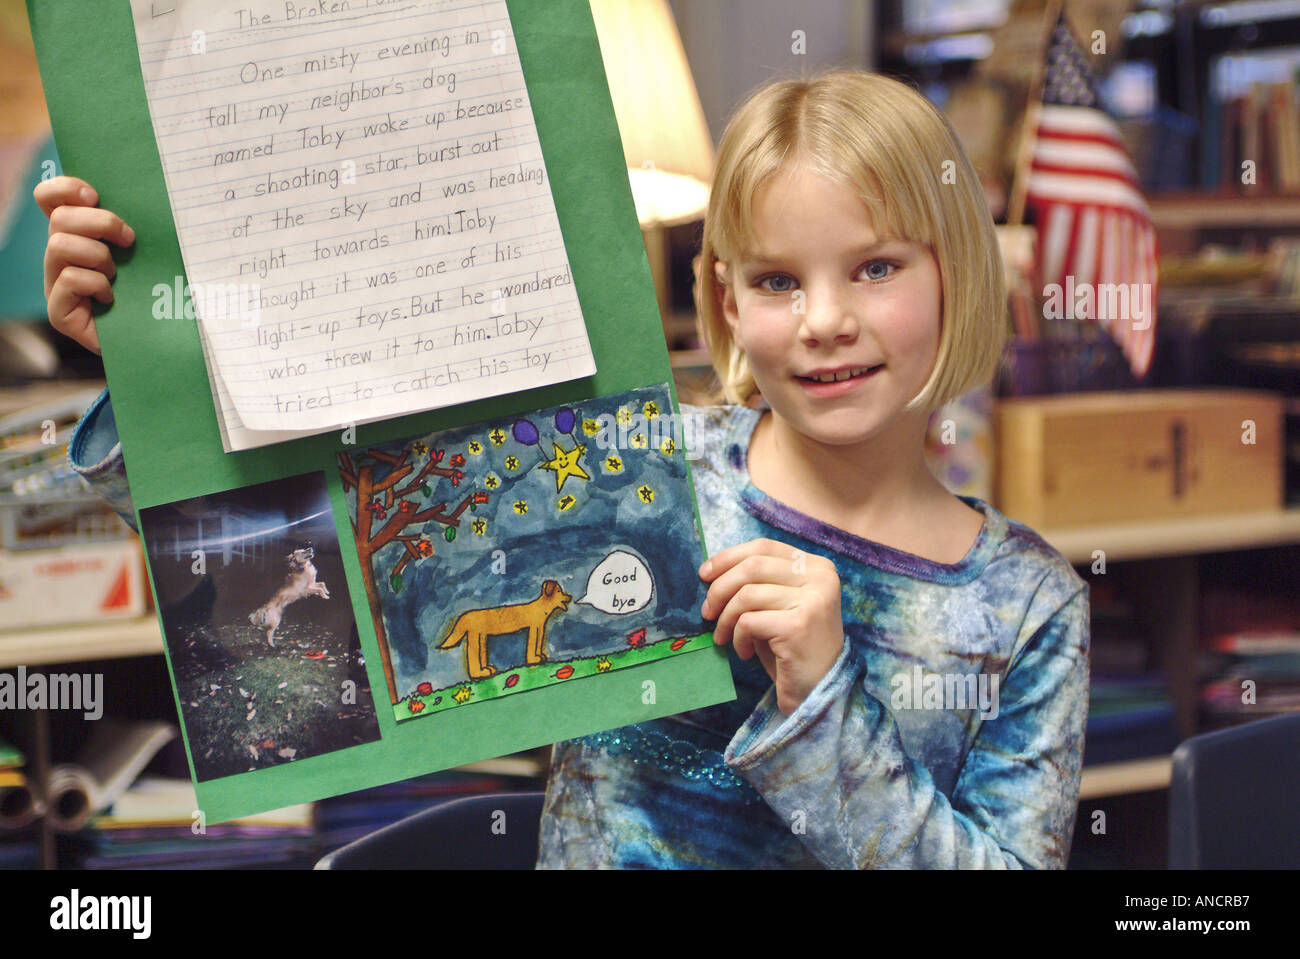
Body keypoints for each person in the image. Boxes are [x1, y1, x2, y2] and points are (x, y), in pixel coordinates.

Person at [39, 68, 1089, 869]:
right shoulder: (637, 471)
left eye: (874, 266)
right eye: (776, 278)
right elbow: (294, 599)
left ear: (956, 271)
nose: (823, 321)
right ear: (725, 300)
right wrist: (144, 361)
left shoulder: (1024, 602)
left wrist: (822, 695)